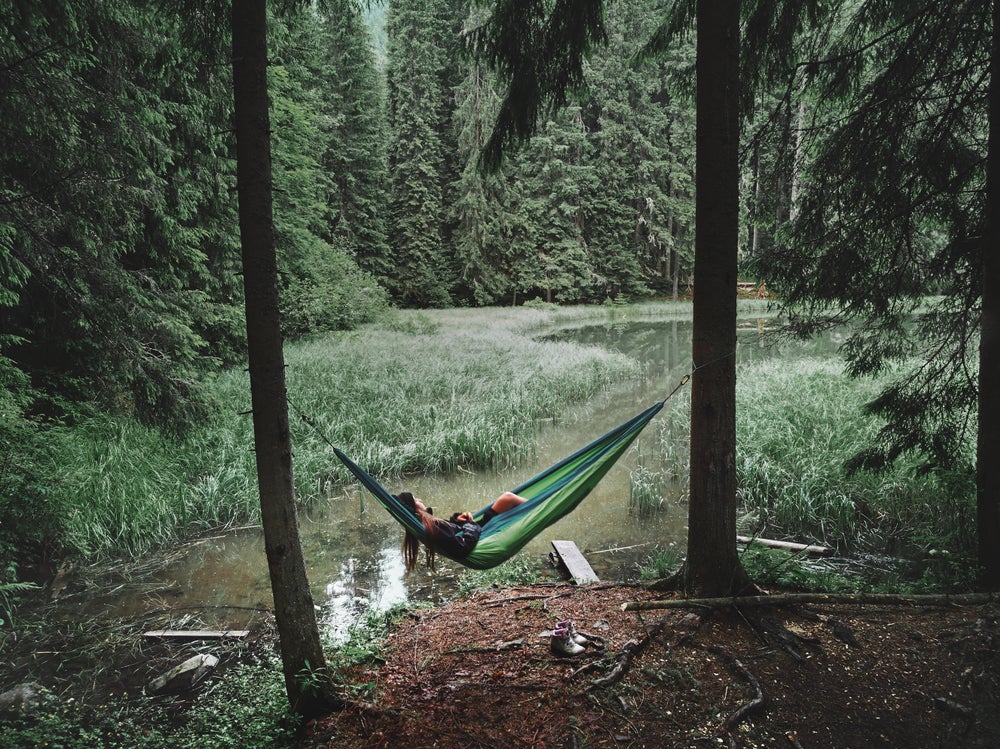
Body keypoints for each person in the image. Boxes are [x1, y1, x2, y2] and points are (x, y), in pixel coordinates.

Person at [395, 491, 526, 573]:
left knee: (506, 500)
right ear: (415, 509)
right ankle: (542, 505)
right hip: (481, 538)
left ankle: (541, 504)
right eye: (416, 499)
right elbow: (461, 546)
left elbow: (452, 535)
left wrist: (457, 520)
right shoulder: (431, 527)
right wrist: (469, 524)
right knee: (507, 498)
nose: (421, 500)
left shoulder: (429, 525)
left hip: (479, 534)